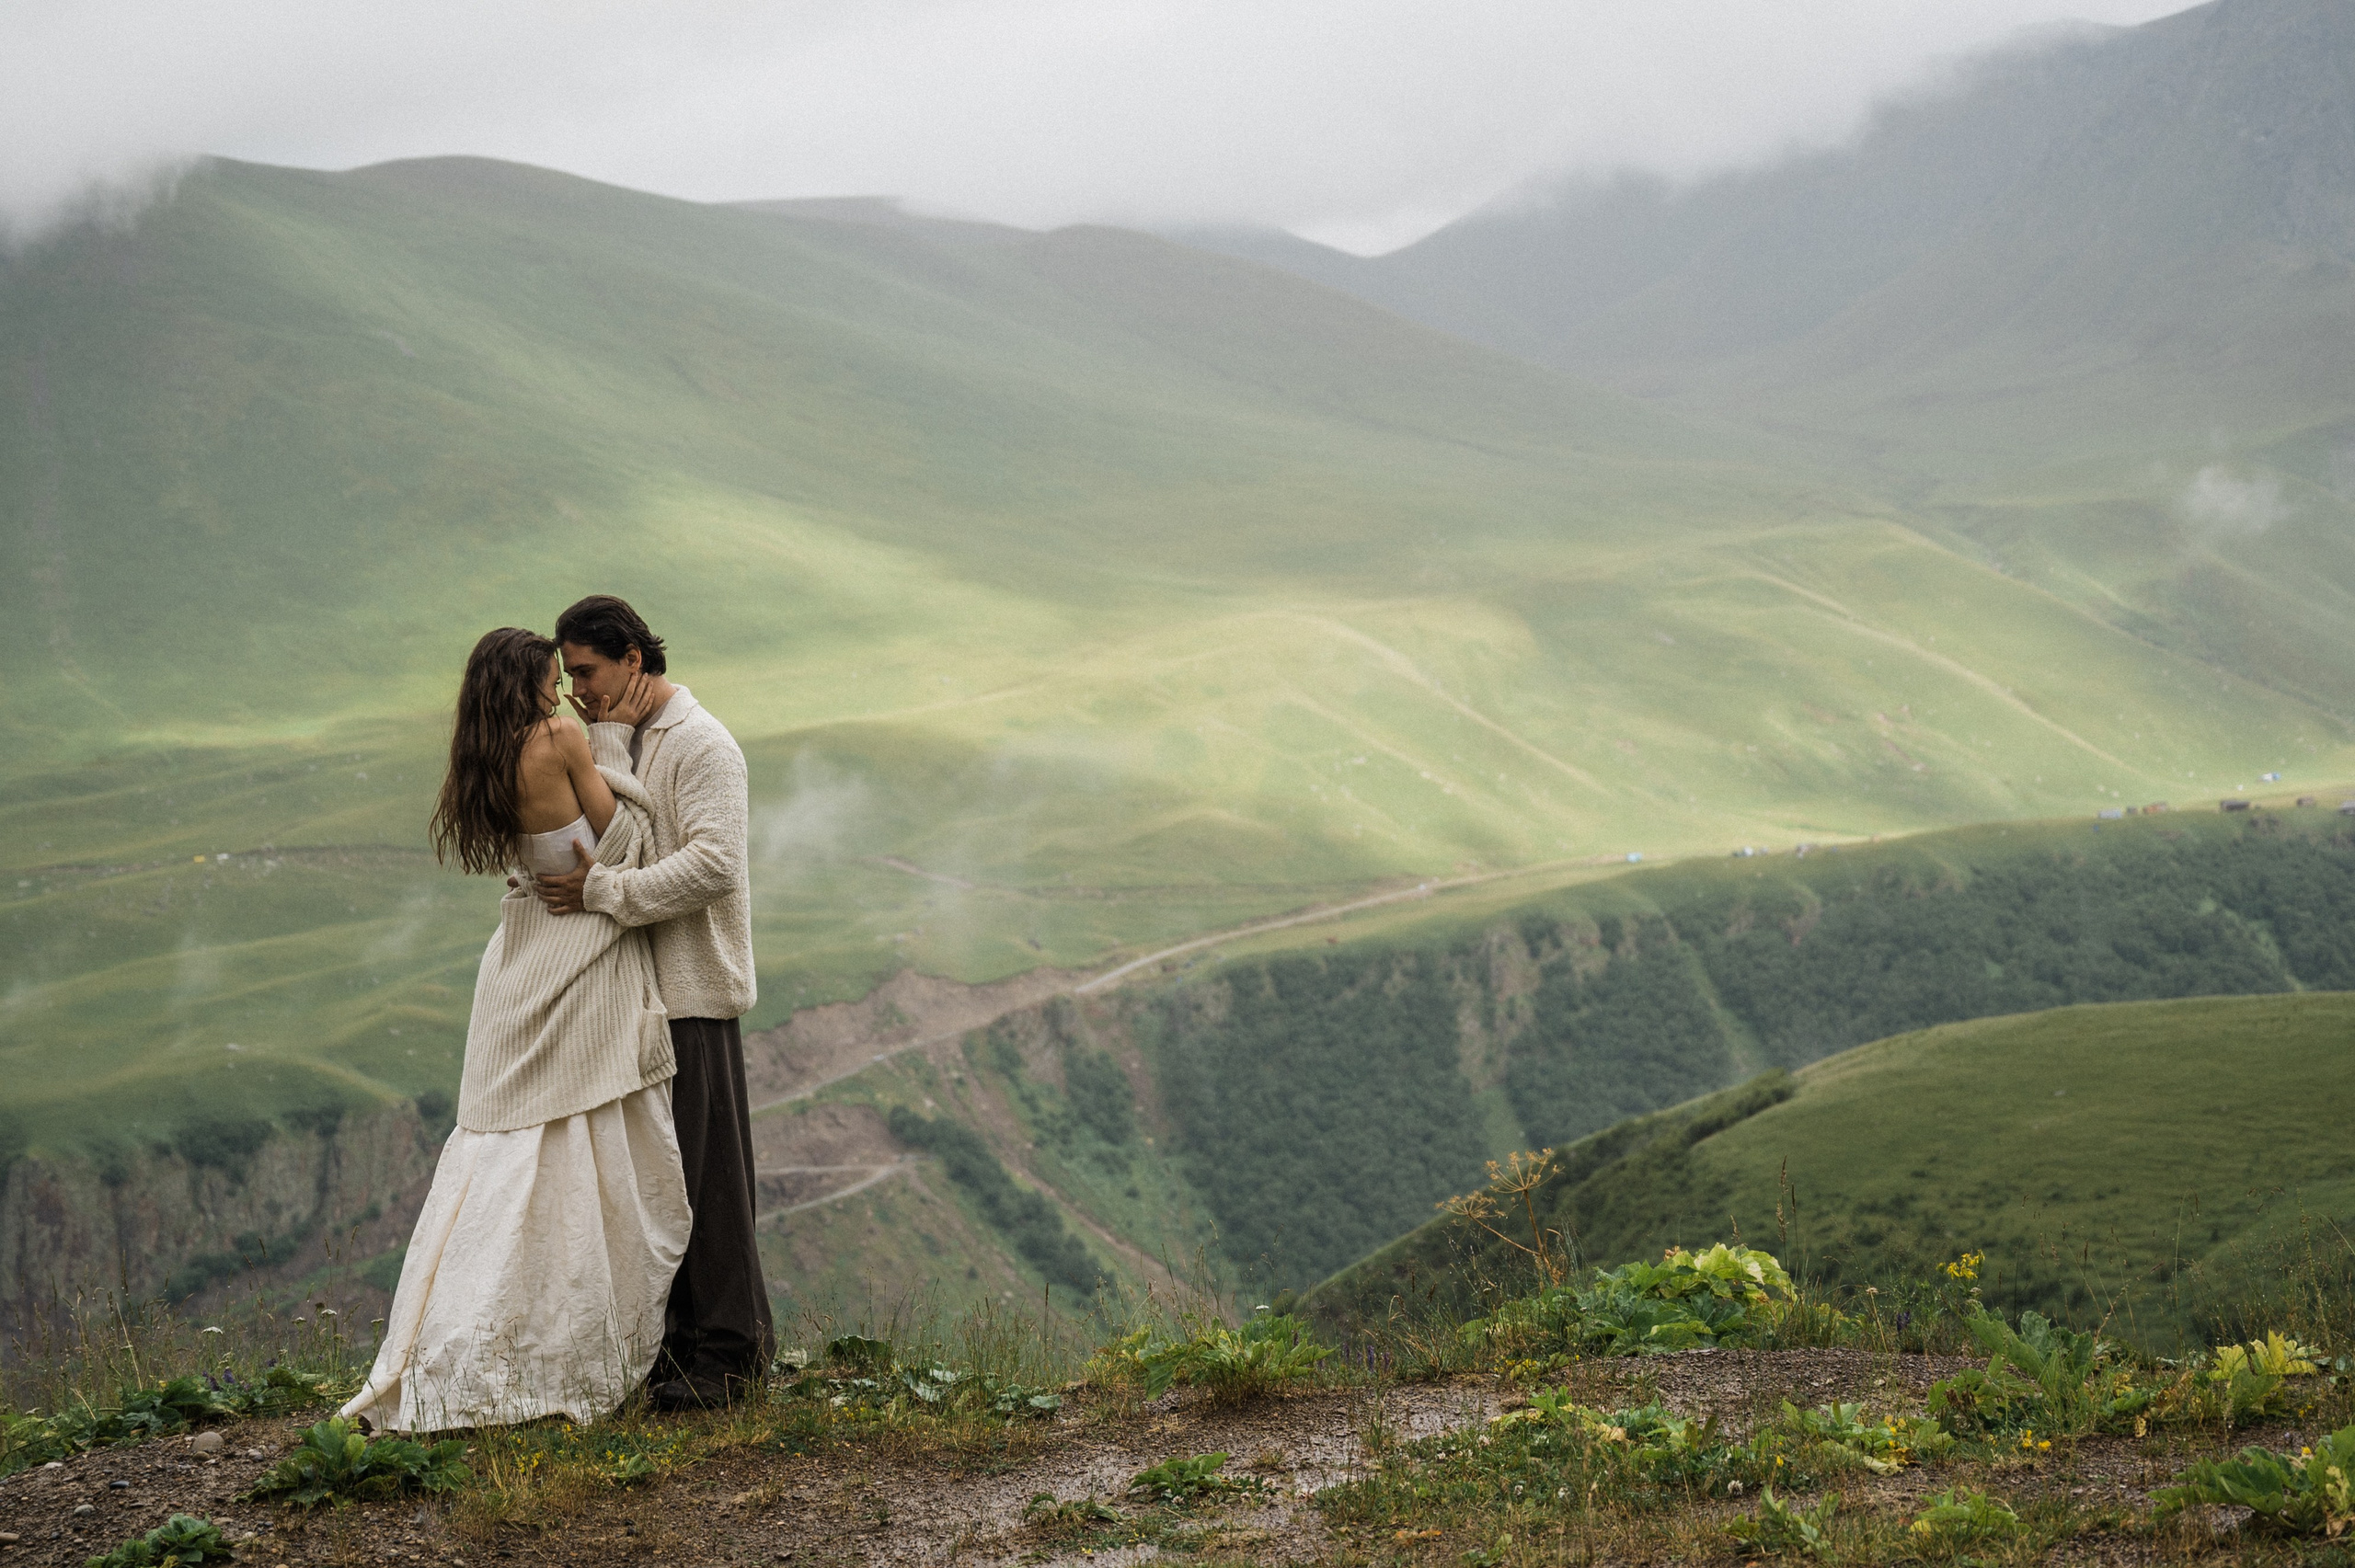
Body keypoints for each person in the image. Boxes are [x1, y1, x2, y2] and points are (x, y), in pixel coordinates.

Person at [342, 628, 689, 1432]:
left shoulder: (483, 756)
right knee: (585, 1125)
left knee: (503, 1145)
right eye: (553, 676)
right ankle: (572, 1337)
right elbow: (622, 838)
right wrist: (608, 743)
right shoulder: (562, 736)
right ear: (530, 680)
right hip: (578, 939)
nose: (565, 688)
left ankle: (460, 1332)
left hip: (519, 943)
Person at [532, 594, 773, 1408]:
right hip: (638, 1000)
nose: (575, 690)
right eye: (566, 678)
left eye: (587, 672)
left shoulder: (703, 745)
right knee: (660, 1185)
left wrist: (605, 892)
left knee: (708, 1181)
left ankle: (734, 1361)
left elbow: (713, 866)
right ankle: (676, 1356)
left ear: (634, 658)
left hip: (693, 992)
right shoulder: (623, 736)